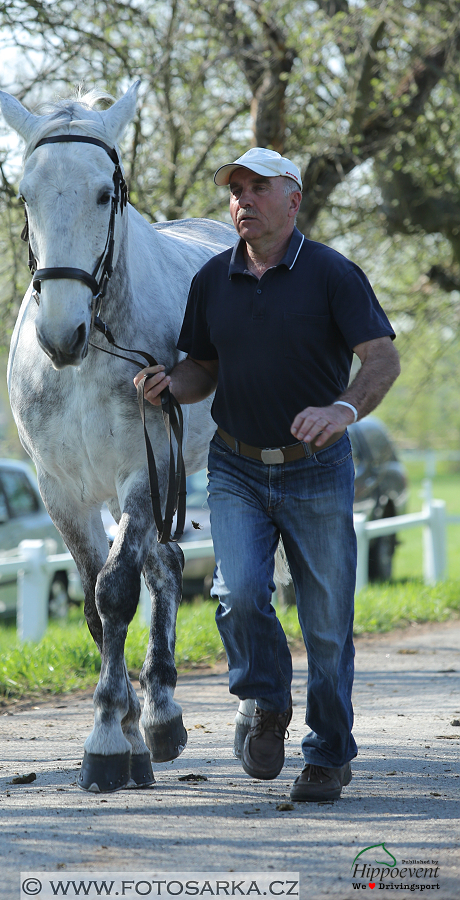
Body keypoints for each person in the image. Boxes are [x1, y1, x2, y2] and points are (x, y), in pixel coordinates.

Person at [134, 147, 400, 802]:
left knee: (328, 625)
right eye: (235, 191)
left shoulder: (334, 275)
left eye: (259, 189)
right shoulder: (210, 281)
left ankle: (328, 753)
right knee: (241, 594)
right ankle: (265, 701)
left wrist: (342, 409)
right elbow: (203, 369)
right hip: (236, 467)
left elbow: (382, 361)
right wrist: (171, 384)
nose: (243, 200)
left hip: (318, 470)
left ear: (293, 201)